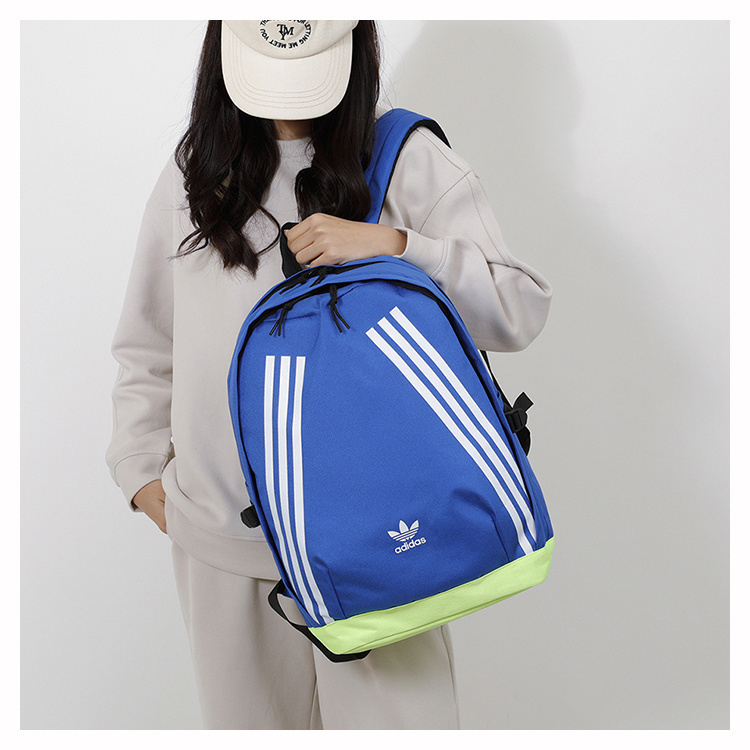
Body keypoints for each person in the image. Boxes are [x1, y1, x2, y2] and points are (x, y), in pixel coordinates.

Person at [105, 20, 552, 730]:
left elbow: (517, 309)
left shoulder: (403, 157)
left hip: (383, 547)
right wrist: (143, 478)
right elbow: (149, 344)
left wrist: (396, 247)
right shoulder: (197, 170)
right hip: (225, 551)